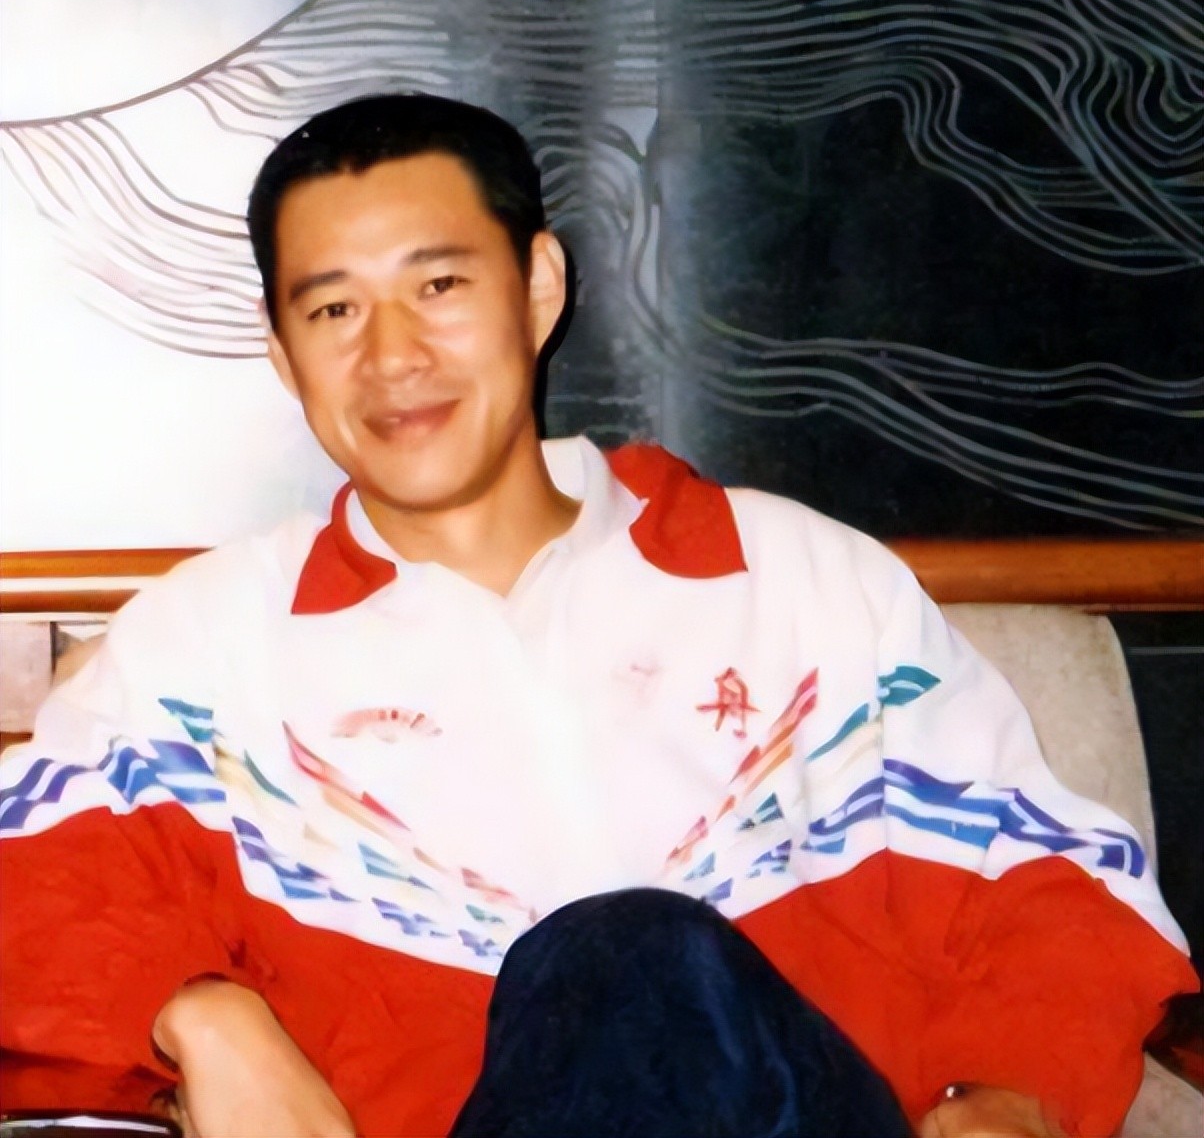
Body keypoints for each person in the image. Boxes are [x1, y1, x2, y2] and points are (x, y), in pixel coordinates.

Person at [0, 94, 1196, 1138]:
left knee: (632, 958)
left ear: (538, 287)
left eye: (439, 286)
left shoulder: (800, 583)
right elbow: (32, 898)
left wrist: (1006, 1090)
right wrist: (202, 1012)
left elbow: (1047, 883)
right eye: (333, 312)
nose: (392, 357)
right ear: (282, 355)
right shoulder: (206, 646)